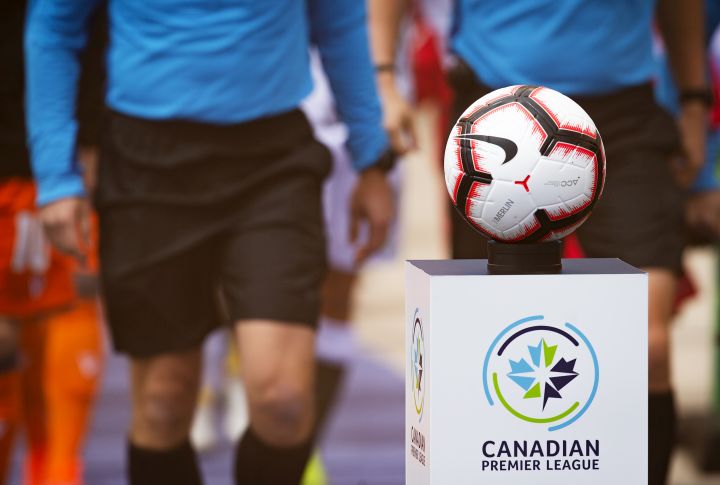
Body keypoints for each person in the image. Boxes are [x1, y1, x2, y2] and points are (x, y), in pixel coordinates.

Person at [25, 1, 395, 484]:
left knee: (282, 403)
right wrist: (56, 175)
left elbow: (339, 21)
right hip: (147, 168)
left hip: (273, 163)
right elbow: (53, 28)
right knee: (164, 404)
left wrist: (371, 158)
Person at [371, 1, 707, 484]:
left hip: (624, 114)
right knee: (485, 339)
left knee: (648, 345)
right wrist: (385, 79)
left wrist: (694, 99)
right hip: (498, 118)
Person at [0, 2, 105, 484]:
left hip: (57, 175)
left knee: (61, 390)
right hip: (34, 171)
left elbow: (95, 38)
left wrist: (90, 168)